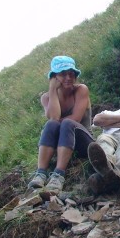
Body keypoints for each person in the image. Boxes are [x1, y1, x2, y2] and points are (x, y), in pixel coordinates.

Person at [28, 55, 94, 192]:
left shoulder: (81, 90)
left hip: (84, 141)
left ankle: (59, 175)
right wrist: (52, 90)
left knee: (67, 123)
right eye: (63, 74)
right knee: (51, 125)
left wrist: (57, 121)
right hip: (62, 144)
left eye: (71, 74)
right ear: (54, 77)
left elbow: (75, 118)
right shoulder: (46, 97)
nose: (68, 78)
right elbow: (54, 118)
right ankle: (41, 173)